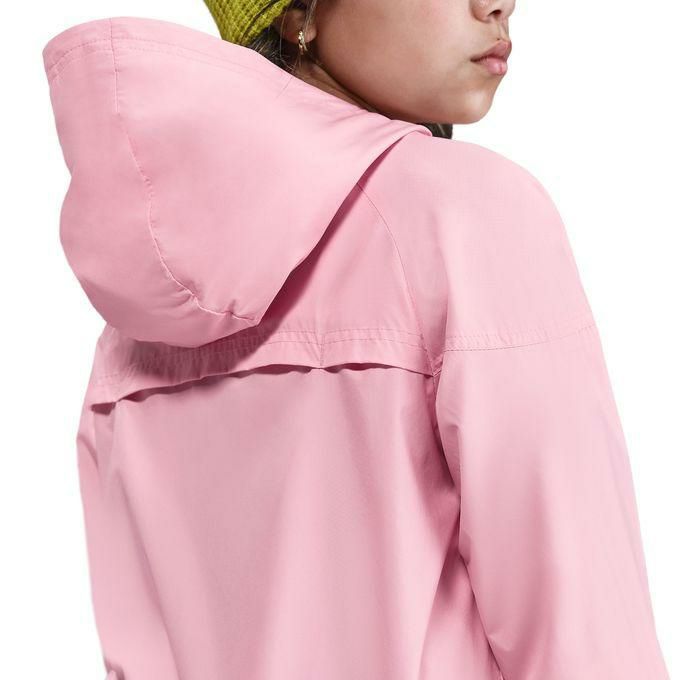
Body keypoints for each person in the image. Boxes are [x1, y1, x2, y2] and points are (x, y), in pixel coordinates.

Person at [41, 2, 670, 679]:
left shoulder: (135, 315)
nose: (498, 3)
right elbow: (584, 638)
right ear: (298, 13)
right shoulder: (466, 215)